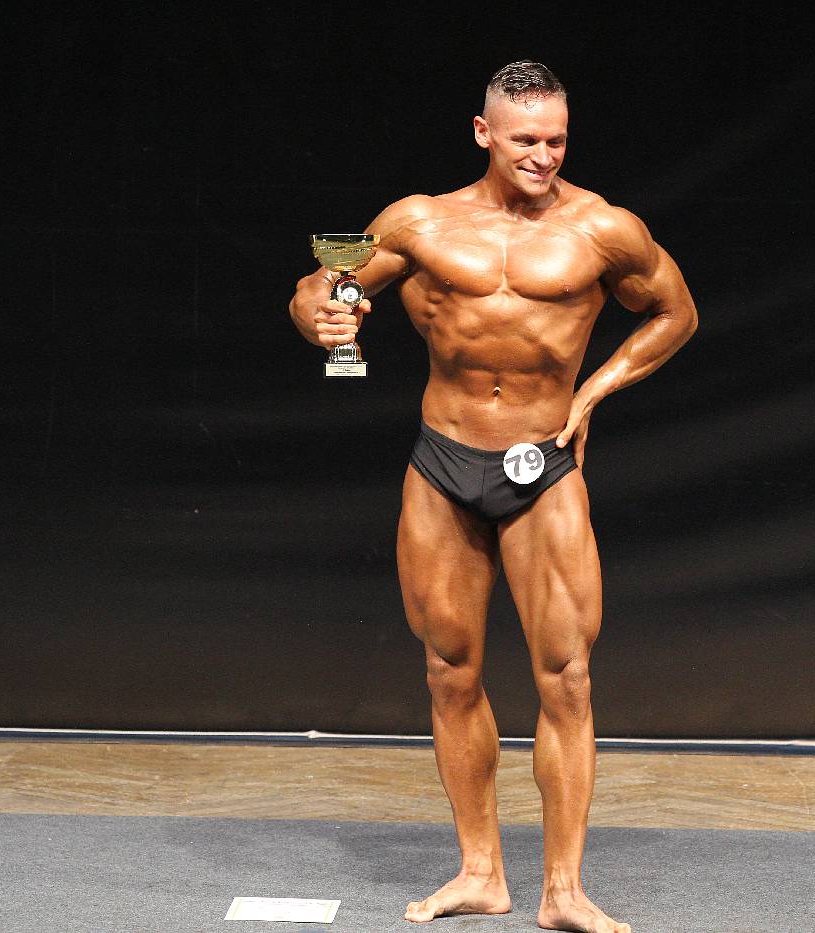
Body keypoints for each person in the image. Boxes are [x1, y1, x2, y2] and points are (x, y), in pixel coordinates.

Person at [288, 61, 697, 933]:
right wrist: (322, 317)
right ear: (484, 133)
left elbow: (676, 313)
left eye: (556, 140)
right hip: (443, 464)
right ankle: (481, 872)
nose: (543, 156)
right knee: (449, 670)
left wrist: (594, 391)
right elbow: (321, 286)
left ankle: (564, 890)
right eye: (525, 141)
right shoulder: (419, 221)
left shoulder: (603, 228)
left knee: (568, 677)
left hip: (543, 468)